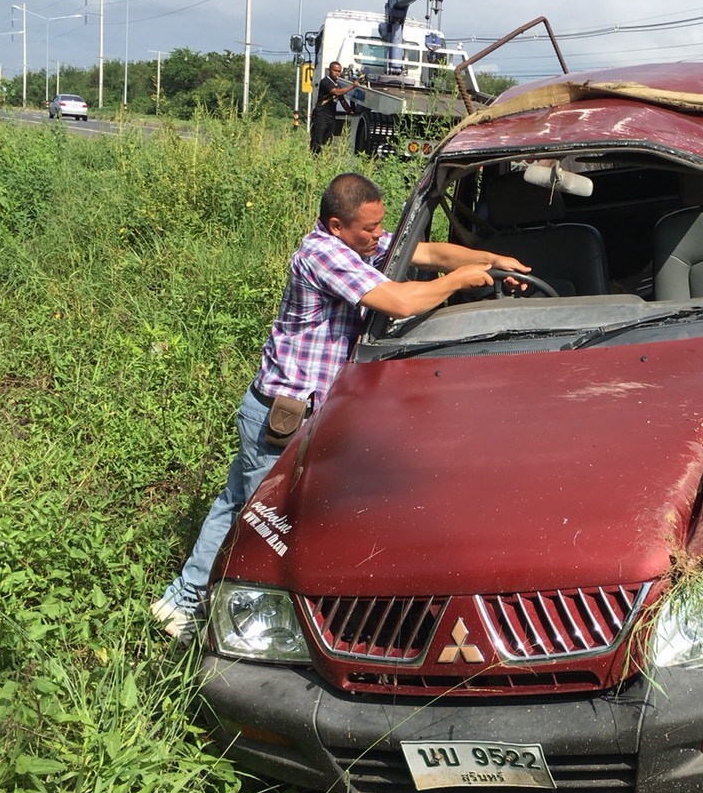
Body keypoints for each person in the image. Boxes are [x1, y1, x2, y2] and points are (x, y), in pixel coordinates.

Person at [151, 172, 531, 638]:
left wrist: (491, 260)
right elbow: (397, 300)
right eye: (370, 228)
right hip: (283, 416)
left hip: (302, 410)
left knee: (236, 504)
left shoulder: (358, 242)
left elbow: (428, 252)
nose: (378, 235)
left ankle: (182, 600)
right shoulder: (322, 254)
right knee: (263, 519)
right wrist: (456, 282)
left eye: (380, 225)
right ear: (336, 224)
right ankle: (203, 610)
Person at [309, 61, 353, 155]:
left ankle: (324, 161)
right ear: (329, 70)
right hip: (321, 115)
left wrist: (350, 111)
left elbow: (342, 100)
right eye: (335, 70)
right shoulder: (326, 81)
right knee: (317, 141)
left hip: (331, 117)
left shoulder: (338, 84)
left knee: (328, 142)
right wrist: (352, 86)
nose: (337, 73)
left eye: (339, 71)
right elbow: (336, 93)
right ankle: (313, 161)